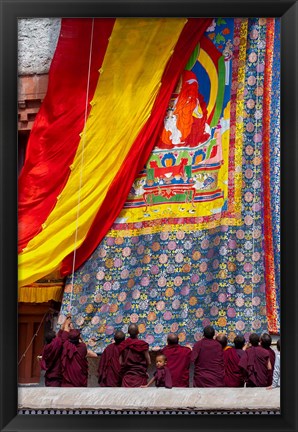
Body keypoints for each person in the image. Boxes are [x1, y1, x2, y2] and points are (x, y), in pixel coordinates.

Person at [60, 317, 88, 387]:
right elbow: (75, 337)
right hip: (79, 376)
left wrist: (66, 324)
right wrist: (72, 330)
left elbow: (64, 337)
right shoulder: (83, 347)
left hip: (68, 378)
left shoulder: (66, 345)